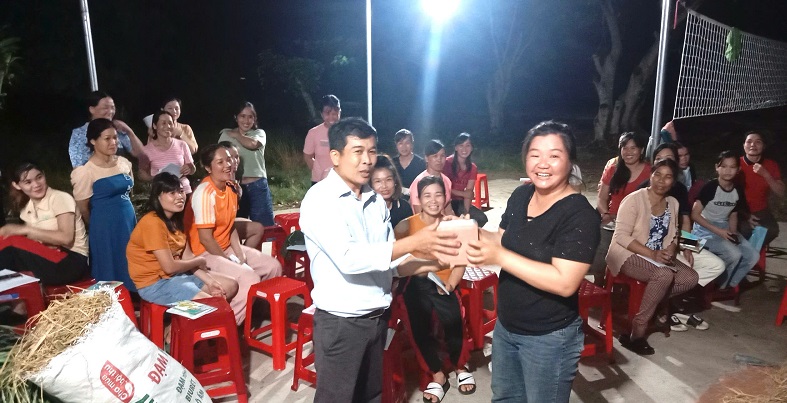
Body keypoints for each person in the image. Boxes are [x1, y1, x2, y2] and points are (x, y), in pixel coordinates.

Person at [300, 117, 461, 403]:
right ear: (335, 156)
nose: (366, 160)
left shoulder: (374, 200)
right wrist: (415, 242)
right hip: (342, 323)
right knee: (338, 397)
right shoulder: (320, 200)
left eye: (372, 151)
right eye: (358, 151)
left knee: (372, 395)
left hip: (377, 318)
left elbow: (387, 258)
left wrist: (434, 261)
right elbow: (349, 259)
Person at [466, 121, 600, 402]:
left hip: (550, 338)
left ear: (570, 161)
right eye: (535, 154)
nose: (543, 163)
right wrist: (466, 231)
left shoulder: (580, 216)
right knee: (505, 399)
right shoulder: (520, 195)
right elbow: (501, 239)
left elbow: (565, 282)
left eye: (554, 155)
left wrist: (500, 257)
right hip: (507, 327)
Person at [606, 159, 699, 355]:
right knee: (664, 275)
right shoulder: (634, 199)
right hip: (627, 252)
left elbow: (673, 234)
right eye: (657, 174)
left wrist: (671, 250)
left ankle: (650, 304)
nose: (661, 181)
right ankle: (636, 334)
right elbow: (620, 236)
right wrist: (652, 254)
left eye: (668, 177)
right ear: (651, 175)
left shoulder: (672, 203)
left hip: (656, 255)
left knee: (691, 277)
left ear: (673, 182)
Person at [394, 176, 475, 402]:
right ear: (418, 199)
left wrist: (450, 284)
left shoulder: (455, 224)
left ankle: (460, 366)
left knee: (453, 319)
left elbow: (461, 262)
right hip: (416, 281)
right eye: (427, 195)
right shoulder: (406, 226)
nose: (433, 200)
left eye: (438, 194)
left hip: (445, 281)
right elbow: (398, 265)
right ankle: (437, 373)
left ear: (446, 196)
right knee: (417, 319)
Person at [184, 144, 281, 324]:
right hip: (204, 253)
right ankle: (231, 326)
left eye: (229, 159)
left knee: (272, 266)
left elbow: (230, 227)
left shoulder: (231, 188)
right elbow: (205, 239)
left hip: (224, 247)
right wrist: (229, 260)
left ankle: (256, 312)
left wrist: (239, 253)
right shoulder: (204, 193)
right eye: (220, 162)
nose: (227, 165)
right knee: (248, 277)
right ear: (208, 168)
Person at [639, 143, 723, 330]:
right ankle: (668, 308)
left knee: (716, 265)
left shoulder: (679, 189)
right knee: (679, 270)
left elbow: (686, 220)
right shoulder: (643, 190)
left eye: (669, 159)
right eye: (659, 159)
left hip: (680, 239)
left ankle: (668, 302)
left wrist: (688, 246)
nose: (664, 163)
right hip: (657, 244)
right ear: (653, 163)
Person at [128, 173, 238, 305]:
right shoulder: (152, 223)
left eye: (181, 192)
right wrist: (200, 260)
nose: (179, 197)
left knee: (230, 285)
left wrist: (210, 281)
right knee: (212, 304)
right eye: (171, 193)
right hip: (155, 284)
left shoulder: (176, 221)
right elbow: (169, 267)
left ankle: (187, 322)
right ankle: (175, 325)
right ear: (157, 197)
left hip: (178, 276)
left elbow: (188, 258)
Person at [70, 118, 138, 291]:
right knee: (110, 263)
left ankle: (135, 298)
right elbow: (83, 205)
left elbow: (129, 192)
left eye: (115, 137)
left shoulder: (123, 163)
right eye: (107, 138)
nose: (113, 142)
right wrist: (95, 225)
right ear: (93, 141)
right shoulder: (85, 171)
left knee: (131, 258)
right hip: (104, 226)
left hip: (128, 221)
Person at [0, 162, 89, 285]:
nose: (36, 185)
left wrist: (25, 230)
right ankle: (16, 296)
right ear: (17, 185)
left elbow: (66, 238)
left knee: (11, 242)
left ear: (44, 175)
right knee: (5, 241)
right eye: (28, 182)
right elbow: (36, 241)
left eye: (39, 177)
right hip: (49, 257)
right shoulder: (26, 209)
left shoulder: (59, 198)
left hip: (71, 262)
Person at [692, 151, 760, 312]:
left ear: (737, 170)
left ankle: (726, 286)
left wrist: (733, 232)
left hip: (724, 227)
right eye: (724, 166)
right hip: (704, 229)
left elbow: (733, 213)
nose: (728, 170)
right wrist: (720, 232)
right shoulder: (710, 187)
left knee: (752, 255)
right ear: (717, 168)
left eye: (732, 167)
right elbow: (695, 215)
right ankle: (716, 289)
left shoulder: (737, 189)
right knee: (733, 254)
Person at [218, 102, 275, 226]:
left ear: (255, 119)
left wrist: (237, 135)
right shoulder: (226, 134)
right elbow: (218, 159)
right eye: (242, 116)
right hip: (234, 187)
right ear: (236, 117)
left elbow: (252, 145)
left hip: (258, 186)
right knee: (235, 226)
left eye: (250, 116)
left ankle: (255, 247)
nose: (246, 120)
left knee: (262, 228)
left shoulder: (259, 133)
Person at [69, 91, 144, 168]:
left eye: (112, 107)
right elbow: (77, 166)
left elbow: (141, 155)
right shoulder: (80, 133)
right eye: (105, 108)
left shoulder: (118, 129)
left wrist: (130, 132)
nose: (110, 112)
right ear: (92, 109)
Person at [736, 130, 784, 246]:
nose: (753, 145)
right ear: (744, 145)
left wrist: (766, 174)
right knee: (745, 230)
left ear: (763, 146)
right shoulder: (736, 164)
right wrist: (744, 215)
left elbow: (781, 192)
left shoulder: (771, 165)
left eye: (758, 142)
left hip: (761, 210)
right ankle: (748, 254)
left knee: (772, 230)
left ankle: (751, 253)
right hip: (738, 209)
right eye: (749, 142)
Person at [598, 132, 651, 225]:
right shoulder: (612, 170)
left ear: (642, 150)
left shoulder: (650, 171)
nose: (628, 152)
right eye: (625, 148)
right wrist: (606, 215)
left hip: (640, 221)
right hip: (614, 219)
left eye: (633, 148)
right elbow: (601, 198)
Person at [219, 140, 264, 250]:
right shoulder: (220, 182)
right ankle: (240, 257)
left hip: (232, 221)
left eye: (237, 157)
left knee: (253, 225)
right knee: (255, 228)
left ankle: (243, 256)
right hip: (218, 226)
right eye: (230, 158)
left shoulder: (237, 182)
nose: (235, 161)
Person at [138, 110, 196, 194]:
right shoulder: (146, 150)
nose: (168, 126)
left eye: (170, 123)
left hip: (183, 191)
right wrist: (155, 178)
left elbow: (193, 168)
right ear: (154, 126)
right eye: (163, 123)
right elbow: (141, 174)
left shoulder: (182, 144)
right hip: (161, 192)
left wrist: (189, 168)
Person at [444, 132, 488, 227]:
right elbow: (444, 189)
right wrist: (463, 193)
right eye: (461, 145)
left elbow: (469, 192)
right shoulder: (447, 163)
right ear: (456, 148)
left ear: (472, 148)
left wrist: (466, 212)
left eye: (468, 145)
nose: (464, 149)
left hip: (460, 202)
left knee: (481, 219)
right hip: (447, 201)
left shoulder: (472, 168)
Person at [409, 140, 455, 216]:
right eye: (435, 156)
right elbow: (419, 215)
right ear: (426, 158)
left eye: (442, 156)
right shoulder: (419, 182)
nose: (439, 160)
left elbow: (448, 210)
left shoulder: (447, 180)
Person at [304, 94, 341, 185]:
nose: (331, 117)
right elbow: (307, 156)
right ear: (321, 114)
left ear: (339, 112)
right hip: (319, 181)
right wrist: (318, 171)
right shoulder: (313, 133)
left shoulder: (347, 132)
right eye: (327, 113)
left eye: (335, 113)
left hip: (342, 182)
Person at [370, 154, 412, 229]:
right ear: (371, 184)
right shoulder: (367, 211)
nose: (384, 186)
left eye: (388, 179)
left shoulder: (404, 207)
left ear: (395, 181)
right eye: (378, 181)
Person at [392, 129, 427, 194]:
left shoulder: (421, 163)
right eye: (400, 143)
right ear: (396, 145)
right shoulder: (392, 163)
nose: (404, 146)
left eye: (407, 143)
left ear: (412, 144)